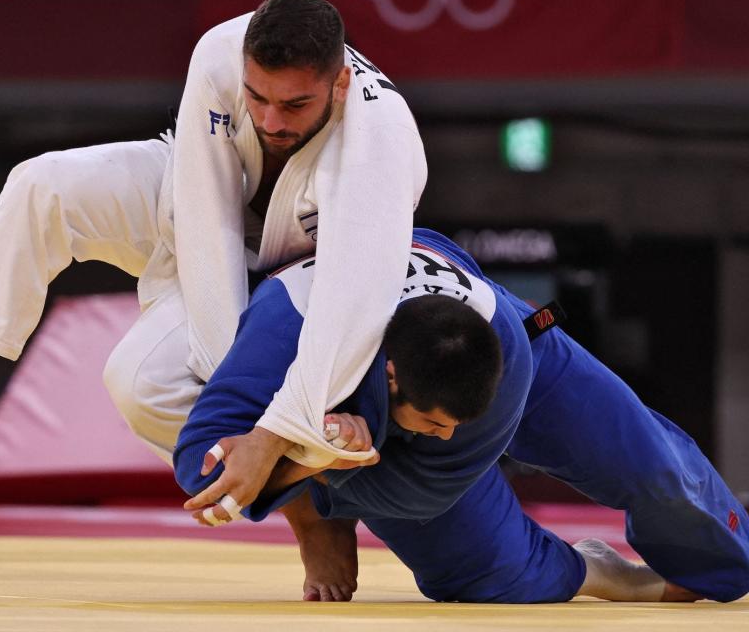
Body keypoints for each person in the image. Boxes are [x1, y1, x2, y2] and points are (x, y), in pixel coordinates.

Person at [0, 0, 427, 465]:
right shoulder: (219, 52)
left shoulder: (383, 144)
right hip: (196, 208)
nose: (271, 120)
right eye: (257, 99)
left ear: (340, 83)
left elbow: (354, 302)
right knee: (42, 186)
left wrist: (287, 418)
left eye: (294, 106)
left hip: (300, 274)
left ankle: (304, 505)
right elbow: (207, 220)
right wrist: (236, 385)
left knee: (139, 385)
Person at [175, 229, 749, 603]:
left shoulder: (505, 347)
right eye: (433, 426)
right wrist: (308, 455)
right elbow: (200, 474)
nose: (447, 436)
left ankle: (731, 558)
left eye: (454, 428)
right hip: (346, 382)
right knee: (486, 576)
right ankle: (597, 571)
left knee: (649, 463)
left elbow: (426, 492)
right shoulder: (282, 328)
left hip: (496, 344)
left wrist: (330, 458)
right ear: (391, 378)